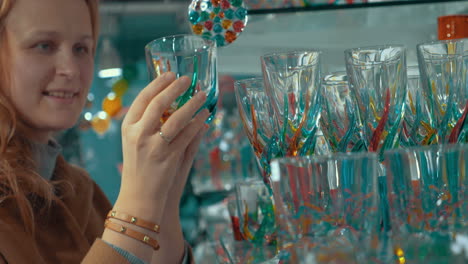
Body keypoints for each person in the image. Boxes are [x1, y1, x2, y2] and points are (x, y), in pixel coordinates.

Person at [0, 0, 210, 263]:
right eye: (44, 45)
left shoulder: (81, 189)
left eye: (81, 48)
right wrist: (136, 210)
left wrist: (162, 204)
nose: (71, 68)